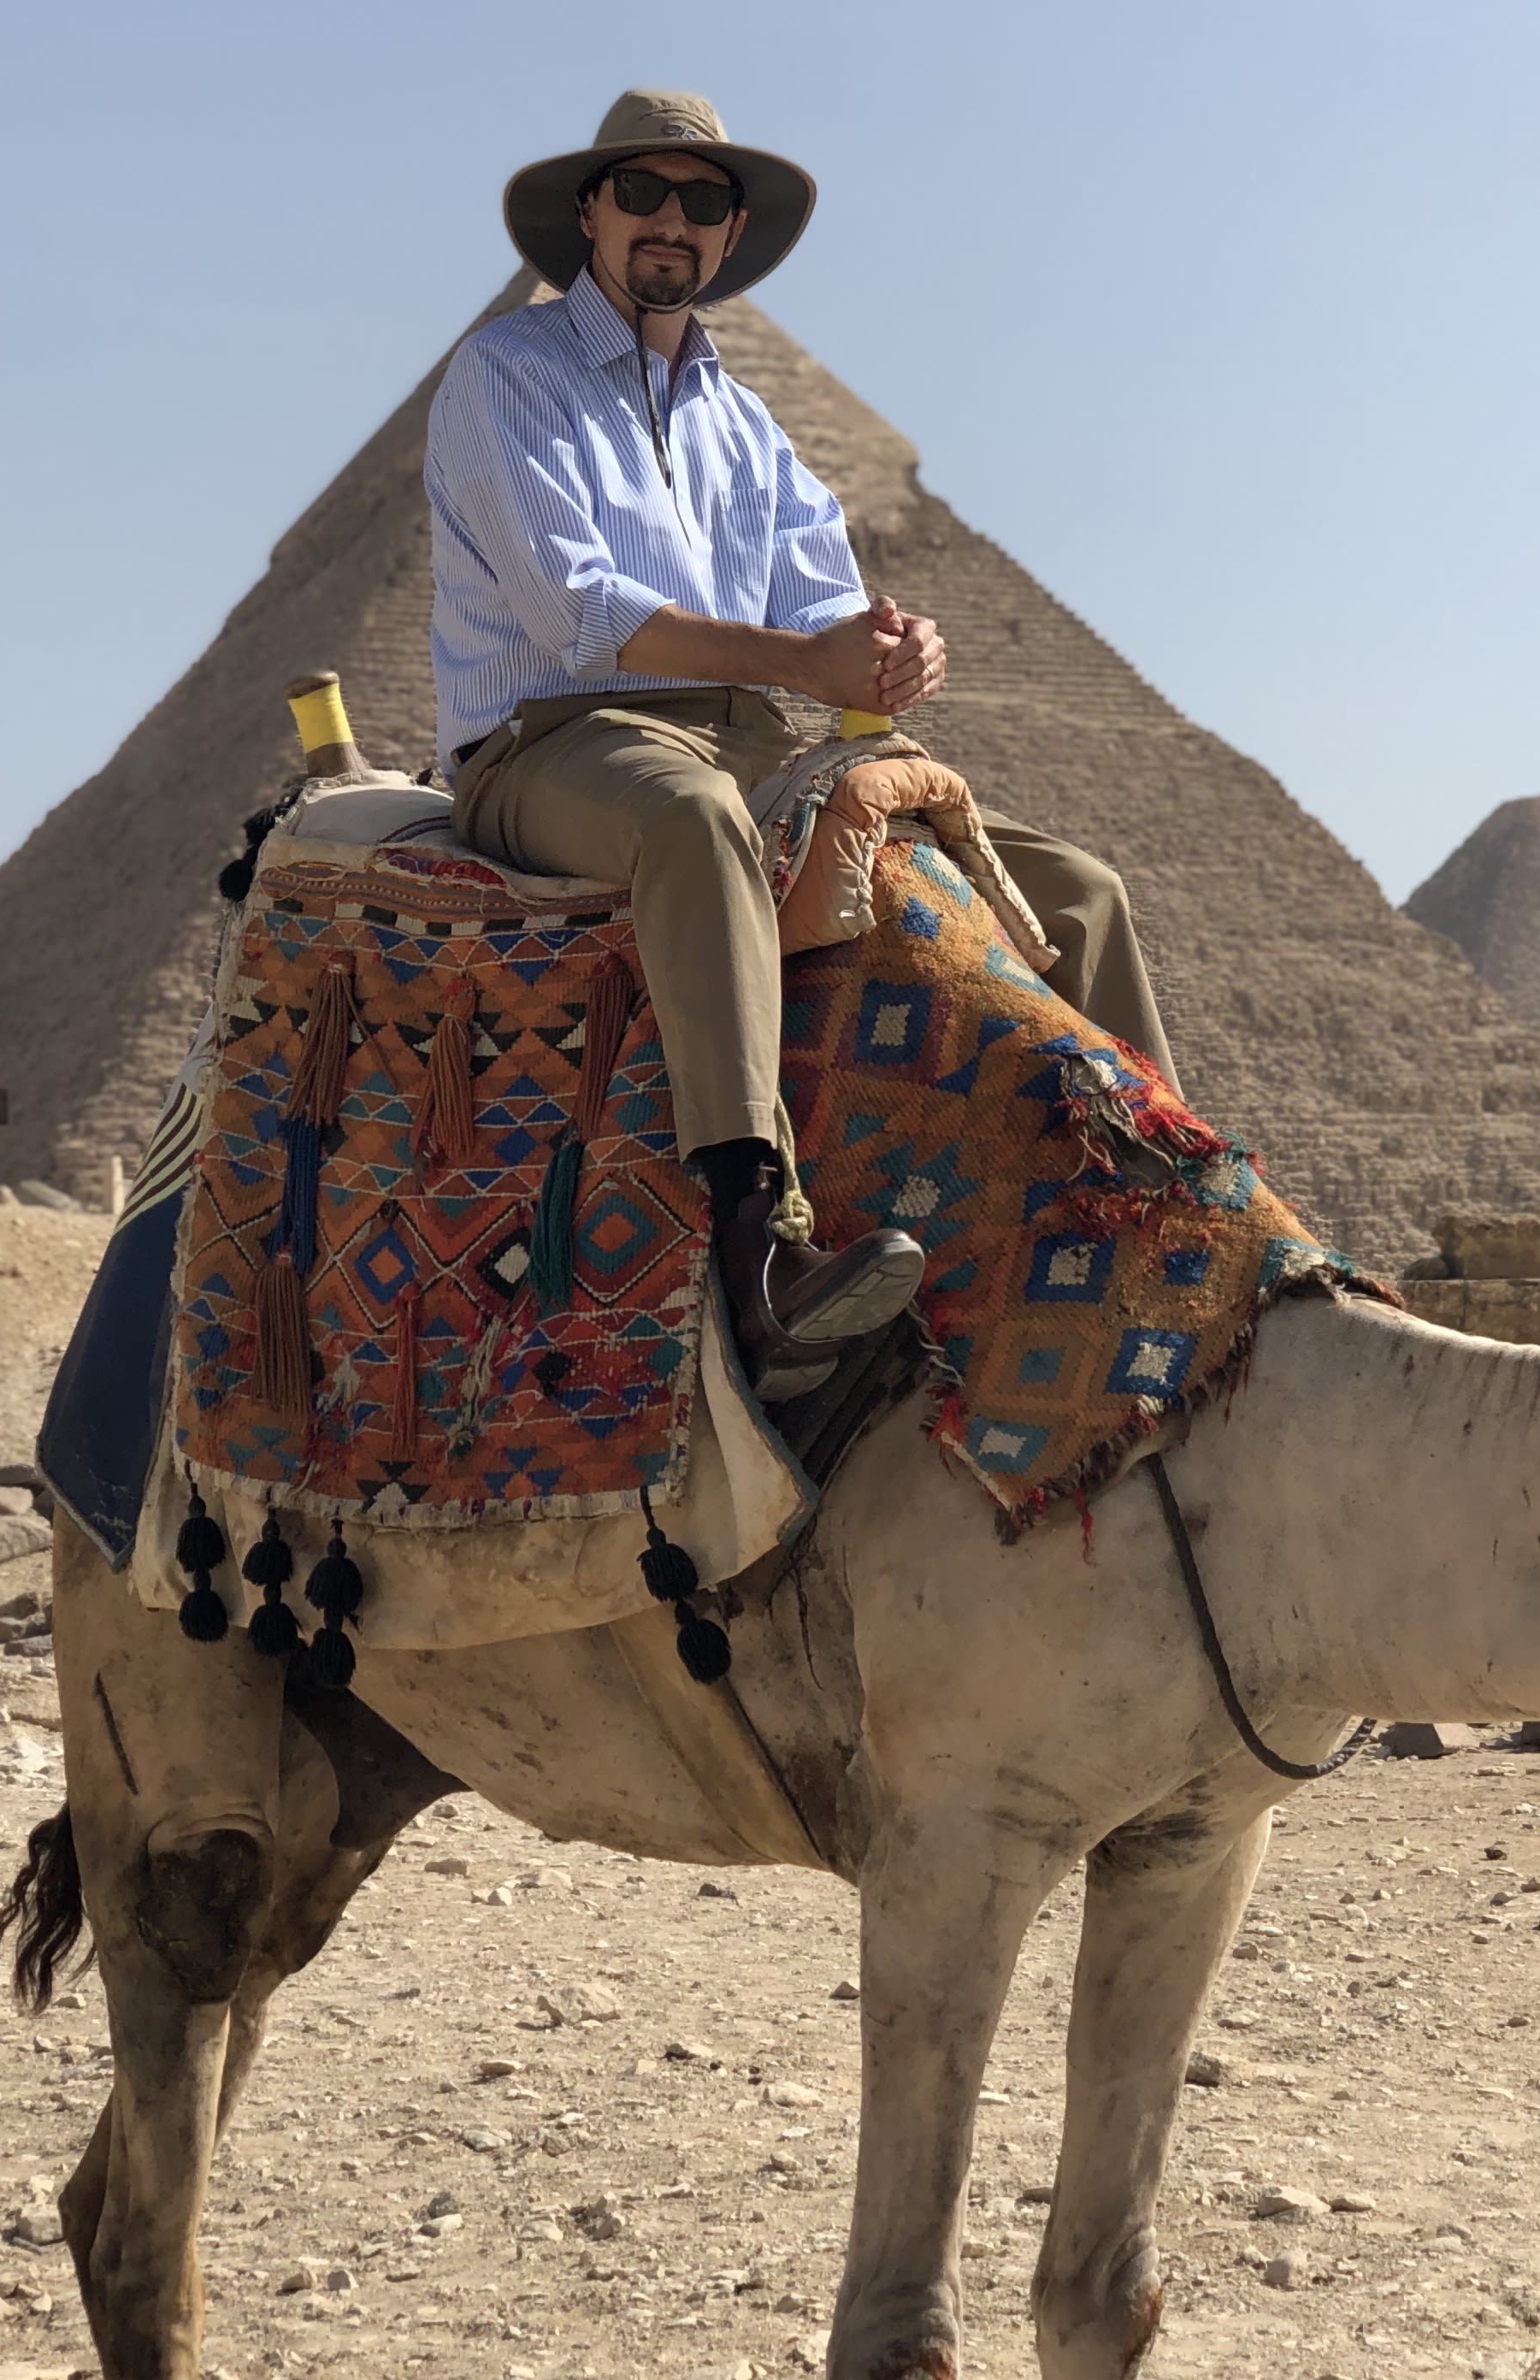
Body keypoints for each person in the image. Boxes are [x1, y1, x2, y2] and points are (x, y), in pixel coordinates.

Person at [427, 91, 1177, 1402]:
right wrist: (802, 665)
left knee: (1076, 889)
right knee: (692, 822)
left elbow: (820, 605)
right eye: (644, 194)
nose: (672, 222)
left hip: (751, 746)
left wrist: (890, 654)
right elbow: (582, 614)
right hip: (555, 746)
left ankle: (1163, 1210)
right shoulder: (507, 375)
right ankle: (757, 1244)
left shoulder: (745, 423)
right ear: (589, 213)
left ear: (730, 236)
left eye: (702, 202)